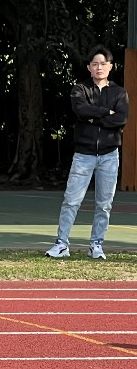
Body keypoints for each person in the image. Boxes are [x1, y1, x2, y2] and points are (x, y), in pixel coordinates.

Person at [45, 46, 129, 260]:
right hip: (83, 154)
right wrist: (105, 112)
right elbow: (81, 110)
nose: (99, 67)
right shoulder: (80, 89)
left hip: (109, 155)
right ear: (89, 67)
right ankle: (62, 244)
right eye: (95, 64)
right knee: (71, 200)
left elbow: (121, 119)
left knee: (104, 203)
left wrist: (94, 118)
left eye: (103, 64)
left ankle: (96, 244)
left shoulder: (119, 93)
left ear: (110, 67)